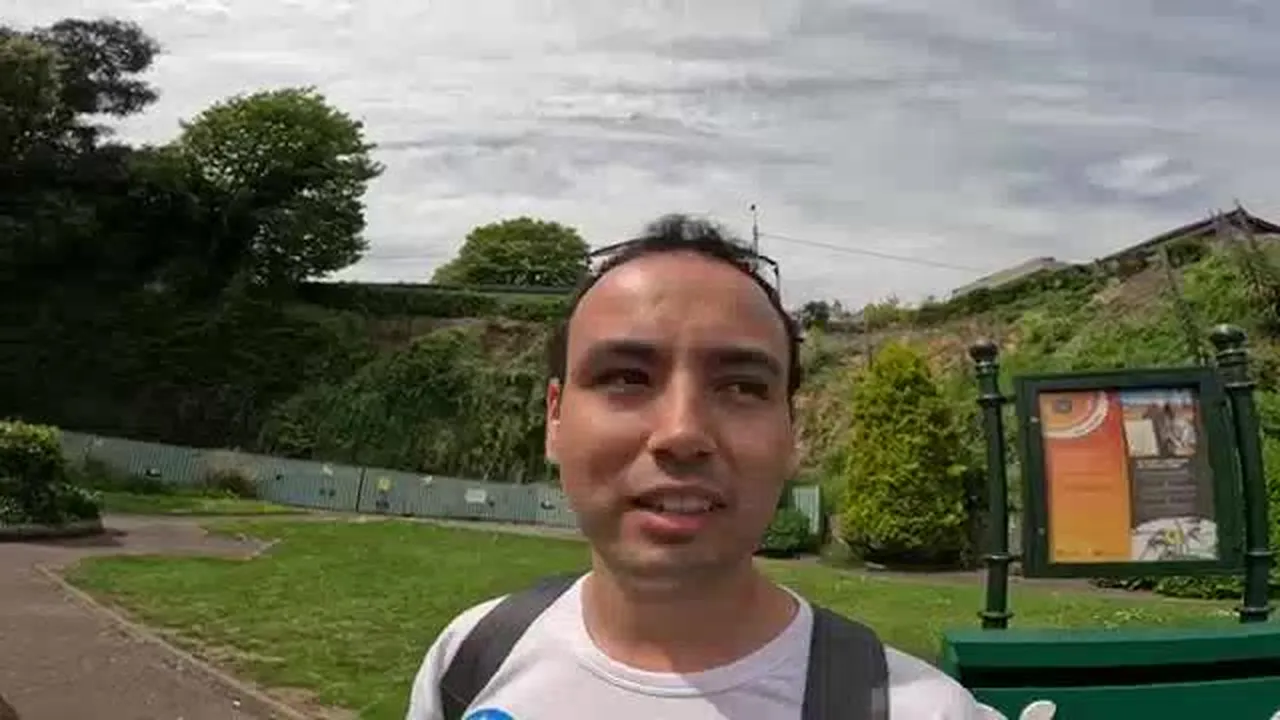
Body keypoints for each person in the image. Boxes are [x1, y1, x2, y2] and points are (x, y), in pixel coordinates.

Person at [405, 214, 986, 719]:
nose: (682, 433)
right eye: (626, 377)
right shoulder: (468, 662)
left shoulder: (922, 712)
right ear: (554, 419)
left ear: (791, 430)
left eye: (741, 387)